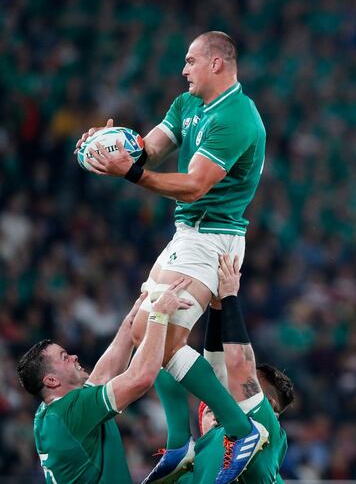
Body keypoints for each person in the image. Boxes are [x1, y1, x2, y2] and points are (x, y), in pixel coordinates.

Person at [74, 30, 268, 481]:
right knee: (148, 329)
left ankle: (241, 430)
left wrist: (135, 174)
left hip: (213, 237)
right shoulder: (187, 105)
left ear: (216, 64)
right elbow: (150, 147)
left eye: (190, 61)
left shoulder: (237, 118)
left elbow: (196, 184)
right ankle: (180, 440)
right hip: (190, 233)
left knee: (155, 333)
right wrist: (107, 148)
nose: (184, 70)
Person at [16, 280, 193, 484]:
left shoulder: (50, 412)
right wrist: (159, 315)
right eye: (64, 357)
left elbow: (103, 375)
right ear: (51, 380)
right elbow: (140, 378)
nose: (73, 356)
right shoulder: (70, 414)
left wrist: (131, 319)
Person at [144, 254, 292, 484]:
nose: (229, 386)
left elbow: (239, 366)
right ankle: (179, 444)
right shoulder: (202, 462)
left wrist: (229, 296)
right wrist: (217, 305)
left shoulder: (267, 427)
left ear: (270, 405)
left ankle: (178, 444)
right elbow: (216, 369)